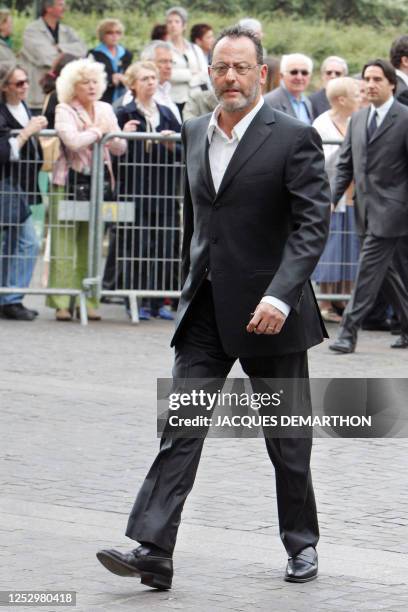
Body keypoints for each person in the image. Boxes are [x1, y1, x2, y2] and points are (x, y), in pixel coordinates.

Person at [96, 26, 330, 589]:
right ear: (210, 72)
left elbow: (311, 226)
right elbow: (199, 221)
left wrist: (281, 293)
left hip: (271, 310)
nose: (229, 77)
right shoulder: (194, 130)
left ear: (261, 75)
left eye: (240, 68)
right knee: (181, 426)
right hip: (205, 310)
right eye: (221, 67)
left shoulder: (293, 136)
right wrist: (185, 286)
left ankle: (302, 544)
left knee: (287, 439)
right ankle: (153, 549)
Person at [329, 59, 408, 353]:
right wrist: (331, 199)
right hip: (362, 211)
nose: (370, 84)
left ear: (391, 84)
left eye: (377, 79)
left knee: (366, 271)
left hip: (393, 212)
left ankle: (348, 332)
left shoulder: (404, 118)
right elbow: (345, 165)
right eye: (367, 79)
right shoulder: (358, 120)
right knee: (385, 273)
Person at [46, 58, 126, 321]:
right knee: (64, 244)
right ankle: (62, 303)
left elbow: (120, 147)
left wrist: (106, 134)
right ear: (73, 86)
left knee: (91, 244)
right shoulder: (64, 109)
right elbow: (72, 141)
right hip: (68, 183)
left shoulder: (105, 107)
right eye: (85, 82)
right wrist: (99, 132)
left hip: (98, 185)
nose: (91, 86)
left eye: (94, 81)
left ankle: (89, 300)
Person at [103, 61, 181, 320]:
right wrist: (121, 135)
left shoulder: (167, 113)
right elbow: (111, 152)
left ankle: (158, 301)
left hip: (164, 190)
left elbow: (184, 151)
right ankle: (135, 300)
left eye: (153, 78)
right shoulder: (123, 113)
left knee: (164, 246)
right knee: (137, 246)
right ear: (132, 84)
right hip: (134, 190)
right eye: (145, 78)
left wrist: (172, 146)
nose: (150, 82)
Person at [0, 62, 47, 320]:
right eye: (19, 83)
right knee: (27, 241)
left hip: (19, 185)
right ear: (4, 87)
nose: (25, 87)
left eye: (26, 81)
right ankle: (11, 297)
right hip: (6, 184)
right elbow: (4, 152)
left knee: (14, 242)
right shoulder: (3, 110)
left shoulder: (23, 106)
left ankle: (8, 296)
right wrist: (27, 132)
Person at [312, 77, 361, 322]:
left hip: (354, 198)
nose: (361, 98)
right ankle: (326, 302)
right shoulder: (321, 124)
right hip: (331, 196)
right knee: (330, 249)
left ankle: (343, 300)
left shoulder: (356, 120)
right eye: (356, 94)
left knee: (348, 249)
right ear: (341, 99)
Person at [19, 0, 86, 113]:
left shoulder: (67, 30)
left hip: (64, 97)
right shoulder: (32, 30)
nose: (64, 8)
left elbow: (83, 50)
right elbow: (46, 57)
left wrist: (60, 47)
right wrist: (68, 57)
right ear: (48, 8)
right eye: (60, 5)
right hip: (39, 98)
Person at [165, 6, 209, 114]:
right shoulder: (164, 49)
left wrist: (186, 77)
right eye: (169, 22)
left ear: (184, 25)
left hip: (196, 99)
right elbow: (167, 74)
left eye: (176, 21)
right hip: (174, 100)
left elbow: (204, 73)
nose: (173, 25)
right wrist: (191, 74)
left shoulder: (194, 49)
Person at [88, 19, 132, 105]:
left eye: (118, 32)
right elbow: (90, 78)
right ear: (102, 35)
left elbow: (130, 75)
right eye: (110, 33)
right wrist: (110, 80)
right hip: (101, 98)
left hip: (123, 98)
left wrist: (124, 78)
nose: (114, 36)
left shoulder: (127, 53)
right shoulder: (94, 54)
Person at [265, 53, 314, 123]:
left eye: (304, 73)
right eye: (294, 72)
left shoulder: (307, 102)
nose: (299, 77)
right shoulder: (269, 102)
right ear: (281, 75)